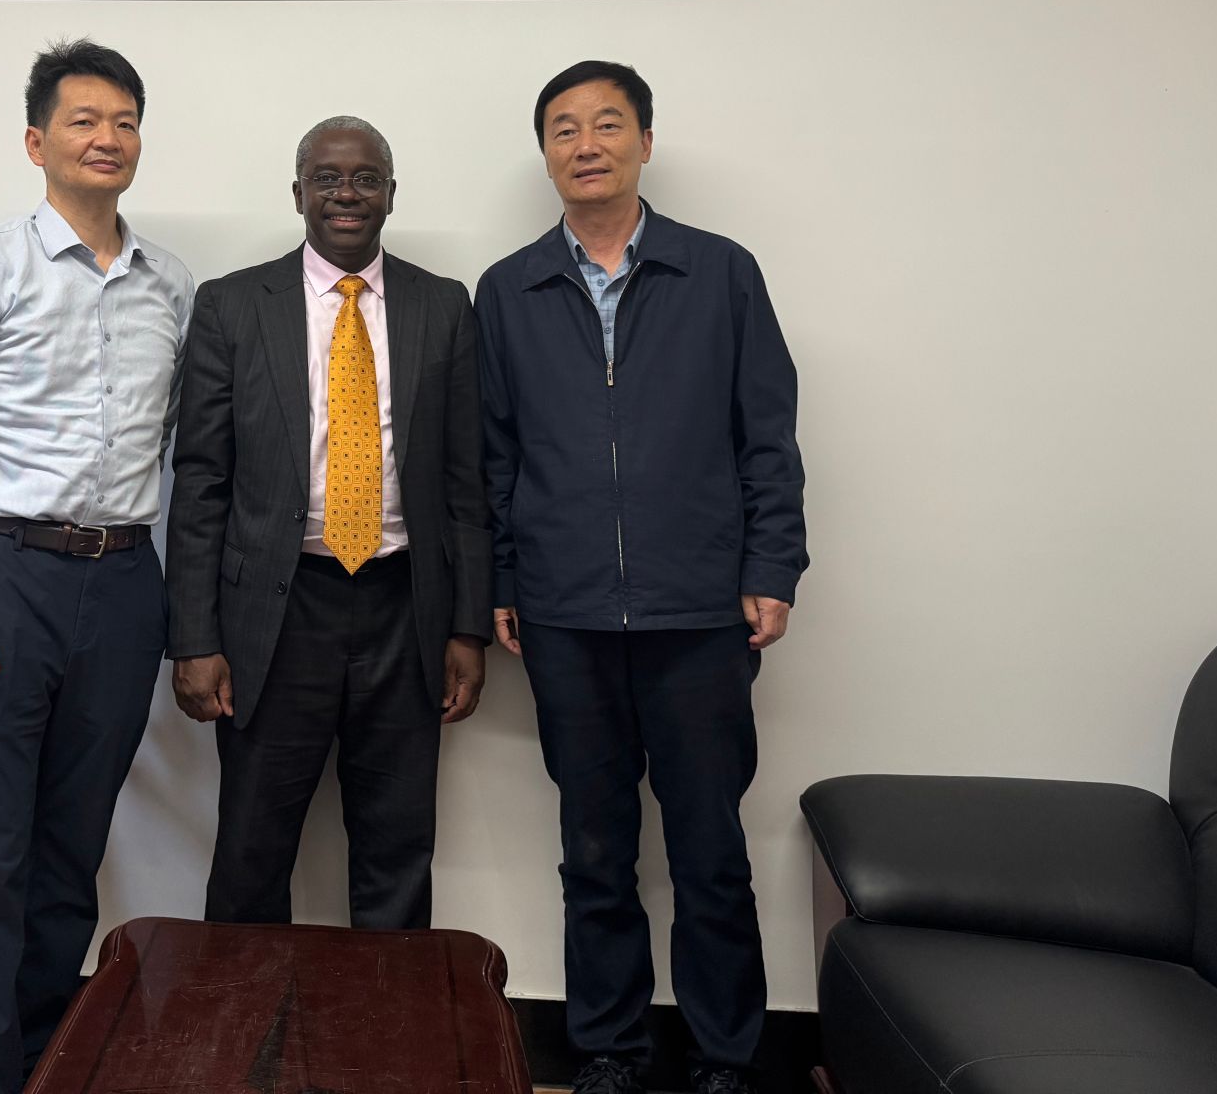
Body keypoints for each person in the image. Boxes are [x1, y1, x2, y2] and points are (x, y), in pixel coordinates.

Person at [477, 61, 807, 1094]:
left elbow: (767, 435)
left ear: (645, 143)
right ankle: (609, 1050)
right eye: (564, 129)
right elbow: (493, 455)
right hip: (564, 614)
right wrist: (503, 579)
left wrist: (771, 565)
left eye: (608, 124)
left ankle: (724, 1057)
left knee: (709, 850)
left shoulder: (720, 273)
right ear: (545, 154)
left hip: (700, 612)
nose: (586, 145)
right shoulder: (509, 289)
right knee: (593, 850)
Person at [0, 39, 194, 1094]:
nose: (106, 138)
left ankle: (40, 1061)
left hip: (122, 586)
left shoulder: (172, 286)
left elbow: (173, 447)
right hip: (3, 577)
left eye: (124, 121)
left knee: (73, 845)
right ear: (36, 142)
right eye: (83, 120)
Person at [167, 115, 492, 929]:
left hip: (403, 610)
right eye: (327, 178)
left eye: (365, 179)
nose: (347, 194)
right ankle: (243, 1015)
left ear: (391, 194)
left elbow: (465, 482)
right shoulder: (232, 306)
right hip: (274, 615)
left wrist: (466, 627)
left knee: (397, 848)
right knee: (252, 848)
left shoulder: (443, 305)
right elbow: (201, 482)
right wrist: (195, 638)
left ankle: (386, 1015)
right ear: (298, 193)